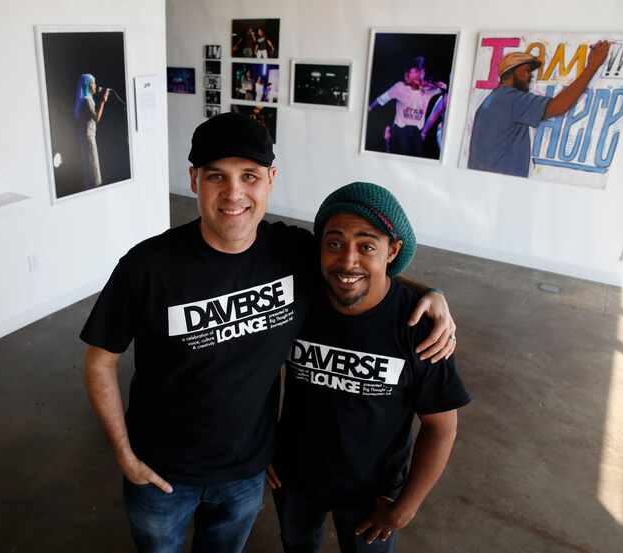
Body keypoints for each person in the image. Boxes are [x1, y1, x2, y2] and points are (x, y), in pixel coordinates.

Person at [81, 113, 457, 553]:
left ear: (271, 179)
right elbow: (99, 360)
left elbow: (354, 270)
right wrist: (125, 456)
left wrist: (431, 292)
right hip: (161, 474)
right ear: (193, 180)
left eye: (250, 176)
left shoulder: (291, 252)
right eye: (216, 176)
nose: (234, 193)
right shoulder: (147, 267)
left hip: (246, 473)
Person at [268, 182, 471, 553]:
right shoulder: (298, 302)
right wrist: (262, 445)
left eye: (367, 246)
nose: (348, 261)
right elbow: (252, 372)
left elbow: (440, 427)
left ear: (392, 251)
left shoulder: (419, 326)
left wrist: (405, 506)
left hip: (373, 493)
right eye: (334, 243)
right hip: (295, 478)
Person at [467, 40, 610, 178]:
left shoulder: (492, 100)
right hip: (502, 187)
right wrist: (593, 65)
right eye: (526, 71)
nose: (530, 77)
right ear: (511, 72)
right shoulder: (511, 98)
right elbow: (560, 106)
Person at [368, 57, 445, 157]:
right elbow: (381, 99)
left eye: (422, 72)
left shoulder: (427, 91)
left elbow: (444, 88)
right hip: (401, 131)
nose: (419, 75)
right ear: (407, 75)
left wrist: (430, 84)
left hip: (417, 133)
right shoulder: (400, 87)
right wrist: (369, 108)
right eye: (416, 71)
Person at [74, 73, 110, 189]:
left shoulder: (87, 100)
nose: (95, 86)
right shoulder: (87, 100)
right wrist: (103, 102)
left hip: (87, 137)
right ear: (88, 85)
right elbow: (97, 118)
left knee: (90, 169)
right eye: (93, 83)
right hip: (89, 139)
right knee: (93, 170)